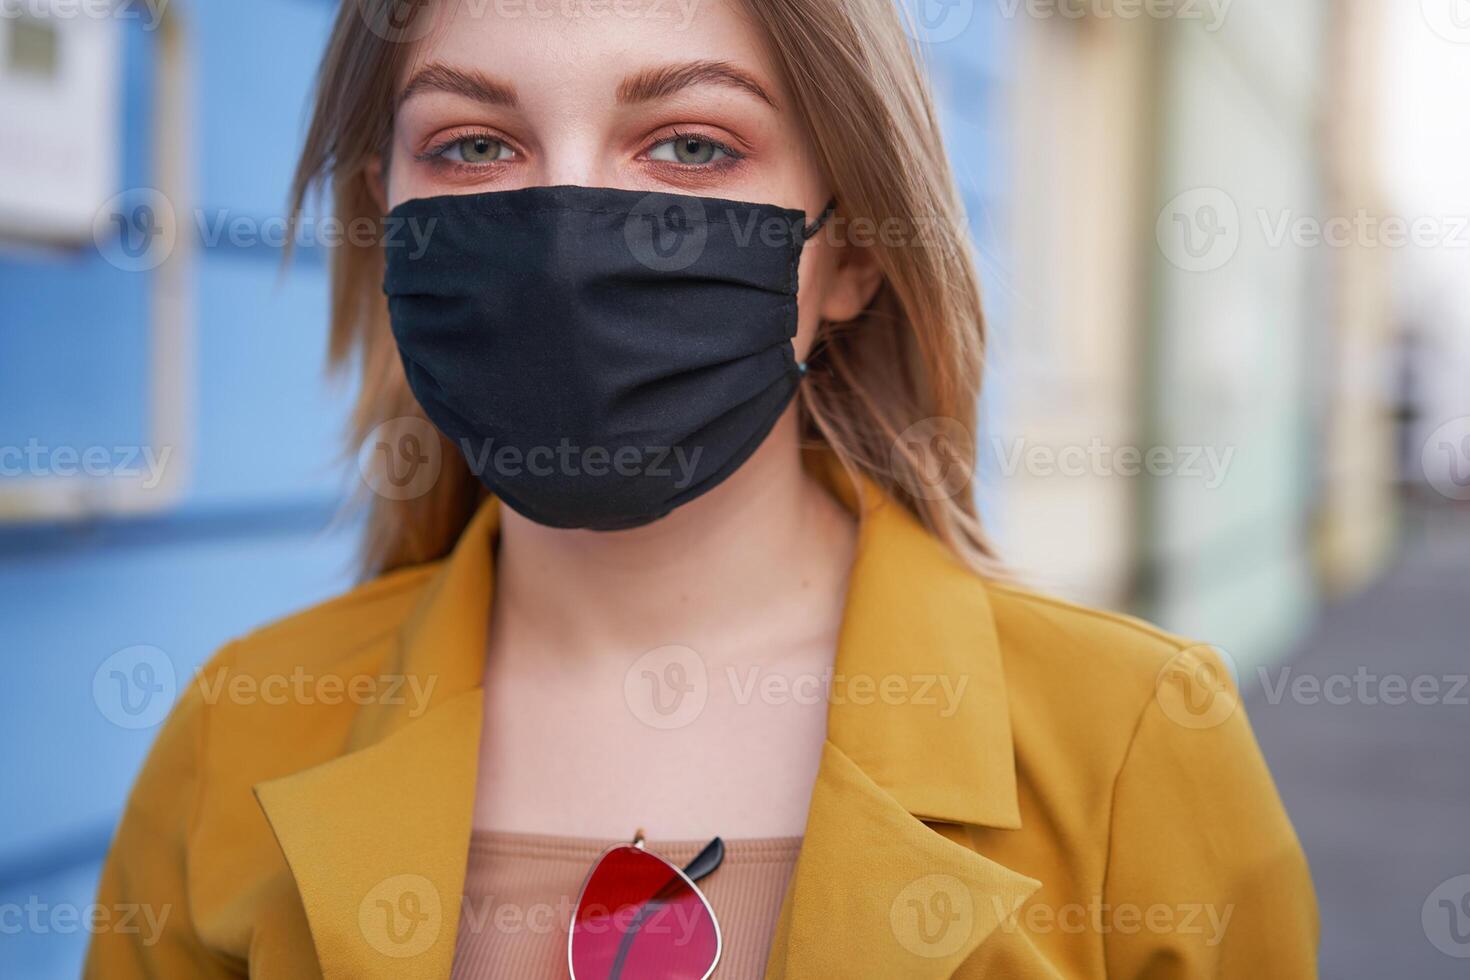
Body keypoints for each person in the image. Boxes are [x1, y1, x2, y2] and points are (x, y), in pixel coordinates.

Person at [85, 0, 1318, 976]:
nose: (568, 235)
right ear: (388, 221)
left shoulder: (1135, 745)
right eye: (472, 143)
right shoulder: (237, 733)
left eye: (690, 145)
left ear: (858, 250)